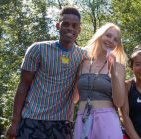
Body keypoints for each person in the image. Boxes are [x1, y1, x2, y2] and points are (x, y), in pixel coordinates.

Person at [6, 6, 85, 139]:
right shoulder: (38, 49)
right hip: (32, 119)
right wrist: (15, 122)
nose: (70, 28)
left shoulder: (83, 55)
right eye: (66, 24)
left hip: (62, 123)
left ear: (79, 30)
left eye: (74, 25)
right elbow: (23, 85)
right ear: (58, 26)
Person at [73, 23, 127, 139]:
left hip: (106, 120)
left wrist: (113, 73)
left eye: (115, 40)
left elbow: (119, 102)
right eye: (108, 35)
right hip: (82, 119)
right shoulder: (82, 61)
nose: (111, 41)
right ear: (100, 35)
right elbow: (74, 98)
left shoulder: (119, 67)